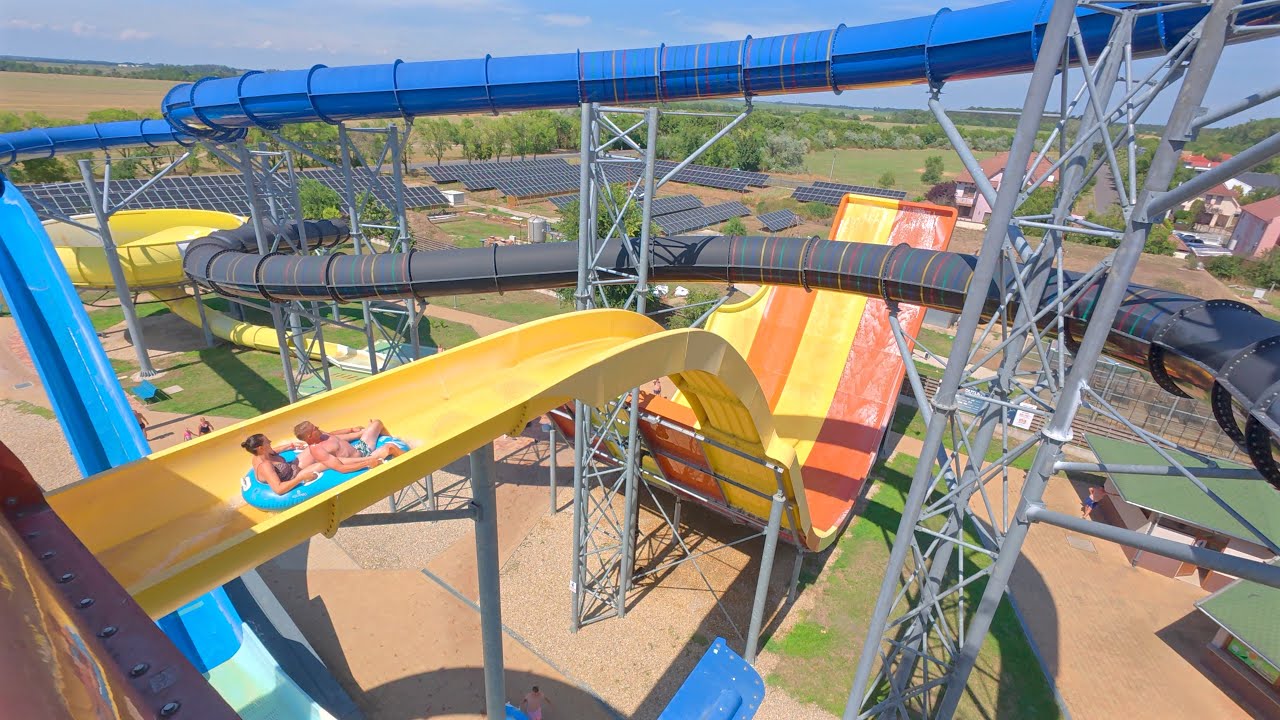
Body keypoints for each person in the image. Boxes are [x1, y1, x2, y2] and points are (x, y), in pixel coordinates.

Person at [241, 433, 380, 497]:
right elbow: (278, 489)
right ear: (260, 448)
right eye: (267, 441)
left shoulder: (263, 453)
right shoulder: (265, 465)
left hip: (291, 466)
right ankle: (367, 461)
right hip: (292, 477)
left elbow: (274, 451)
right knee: (325, 463)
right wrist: (301, 478)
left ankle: (354, 437)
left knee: (314, 446)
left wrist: (290, 445)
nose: (270, 441)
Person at [293, 419, 404, 472]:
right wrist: (367, 462)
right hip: (361, 459)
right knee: (390, 448)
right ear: (309, 436)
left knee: (377, 423)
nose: (318, 427)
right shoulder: (318, 451)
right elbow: (341, 468)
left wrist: (350, 429)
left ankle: (392, 438)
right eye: (315, 428)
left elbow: (333, 433)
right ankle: (414, 462)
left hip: (360, 448)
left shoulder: (320, 435)